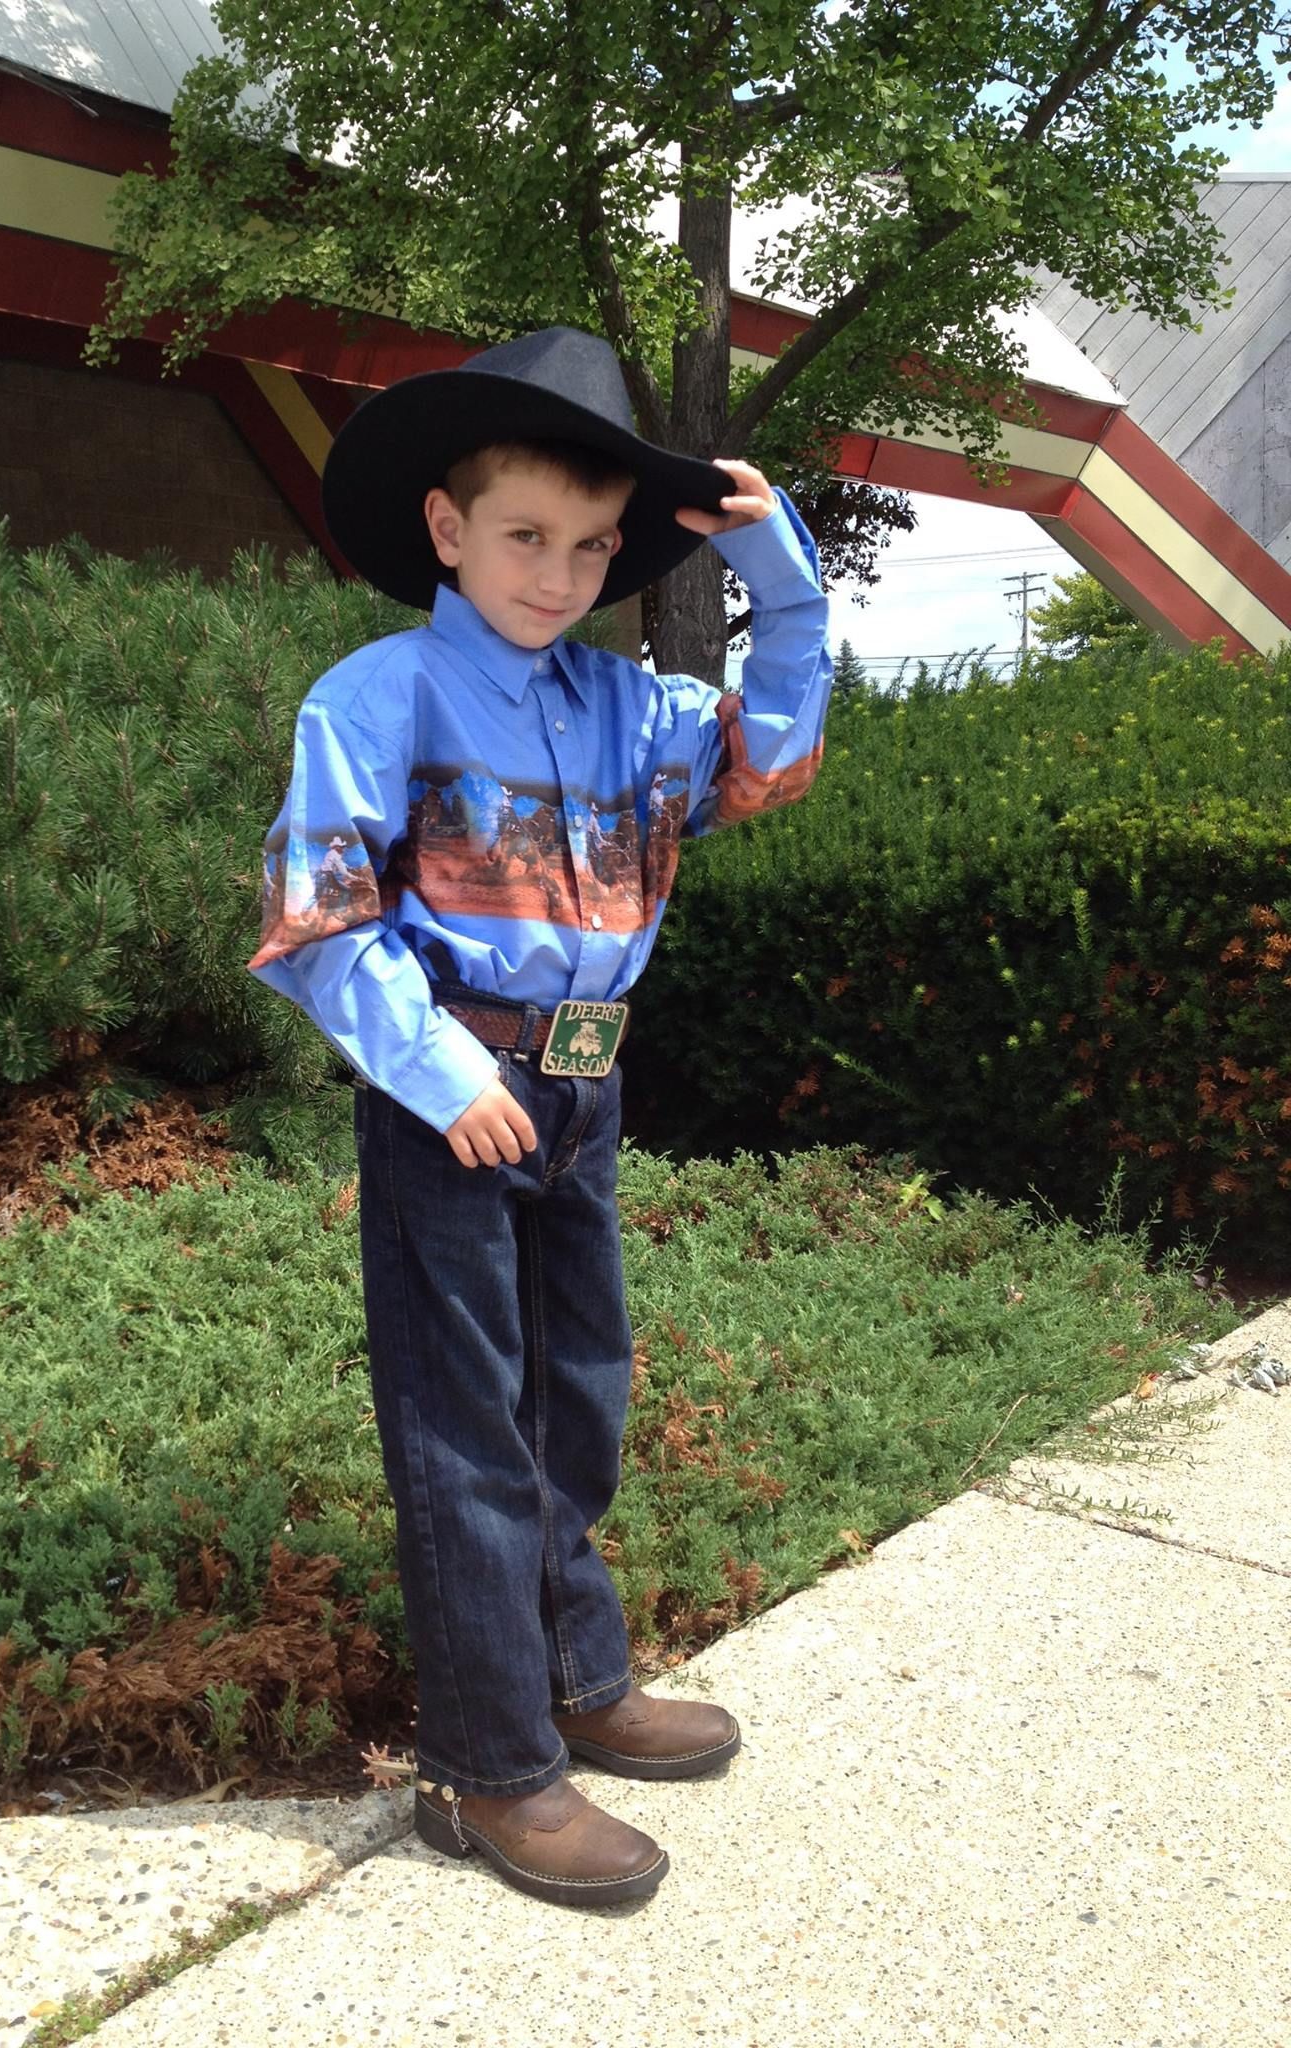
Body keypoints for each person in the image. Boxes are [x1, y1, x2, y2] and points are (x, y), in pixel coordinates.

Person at [246, 326, 831, 1909]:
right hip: (456, 1093)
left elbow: (769, 760)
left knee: (579, 1396)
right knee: (465, 1430)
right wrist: (446, 1074)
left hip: (588, 1083)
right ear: (448, 527)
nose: (560, 574)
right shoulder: (383, 697)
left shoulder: (636, 708)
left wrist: (785, 579)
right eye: (525, 536)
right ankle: (489, 1767)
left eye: (592, 547)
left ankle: (582, 1674)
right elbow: (320, 916)